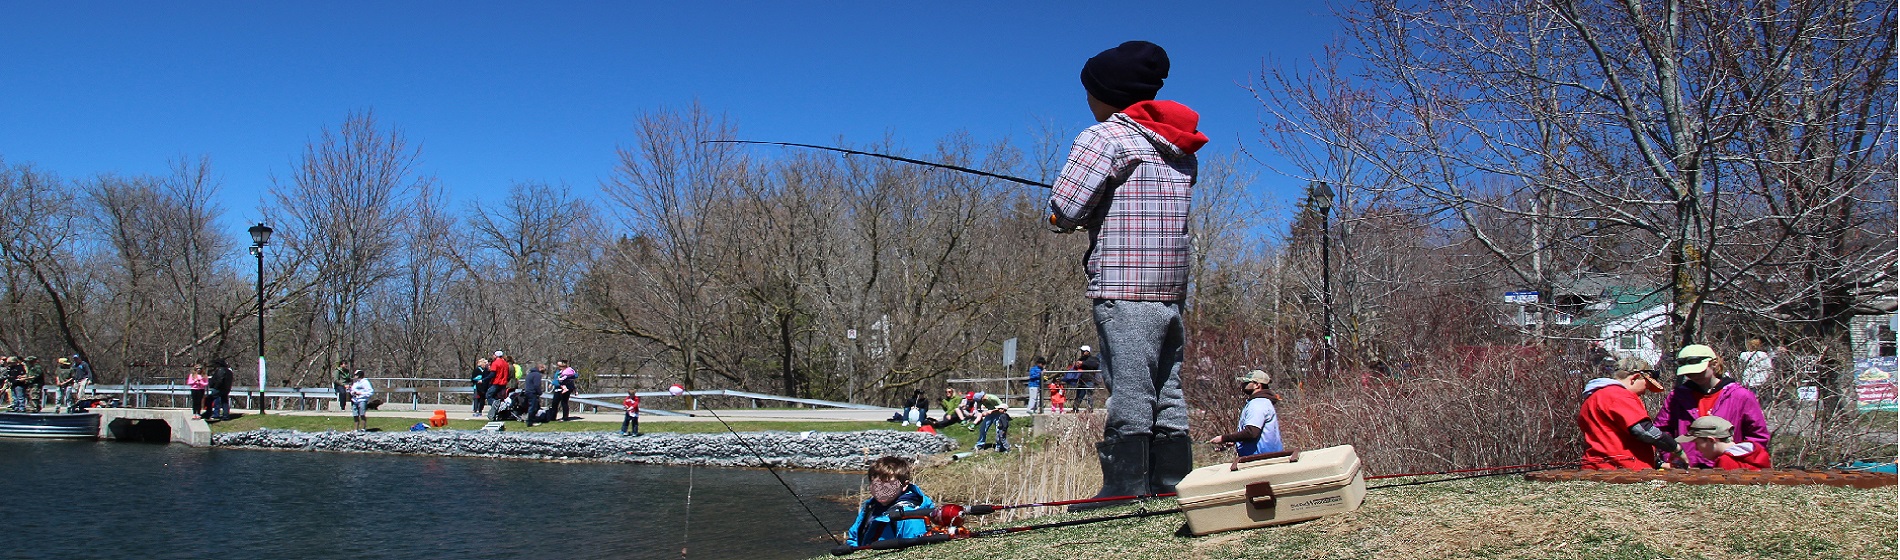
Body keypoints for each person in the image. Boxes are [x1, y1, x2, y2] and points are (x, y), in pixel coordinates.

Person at [1047, 40, 1206, 509]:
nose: (1087, 100)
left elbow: (1066, 208)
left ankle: (1124, 487)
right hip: (1170, 287)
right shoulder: (1181, 148)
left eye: (1089, 90)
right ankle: (1172, 480)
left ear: (1106, 93)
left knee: (1130, 384)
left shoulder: (1104, 137)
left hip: (1122, 281)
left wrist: (1060, 218)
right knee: (1166, 385)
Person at [1657, 344, 1770, 468]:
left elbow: (1757, 435)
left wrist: (1738, 461)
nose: (1694, 376)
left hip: (1727, 468)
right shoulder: (1677, 397)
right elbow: (1661, 430)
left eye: (1699, 371)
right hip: (1686, 467)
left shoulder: (1740, 396)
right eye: (1689, 373)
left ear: (1714, 364)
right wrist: (1671, 455)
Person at [1576, 359, 1679, 470]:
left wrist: (1658, 464)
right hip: (1621, 470)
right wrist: (1676, 448)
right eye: (1647, 385)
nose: (1645, 392)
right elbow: (1643, 430)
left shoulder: (1592, 398)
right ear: (1635, 378)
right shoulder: (1619, 395)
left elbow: (1612, 439)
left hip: (1595, 467)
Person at [844, 456, 936, 548]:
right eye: (875, 484)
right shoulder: (870, 507)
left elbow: (914, 548)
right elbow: (854, 538)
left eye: (887, 484)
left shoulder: (910, 515)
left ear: (904, 485)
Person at [1206, 370, 1283, 457]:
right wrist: (1236, 440)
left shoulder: (1258, 403)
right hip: (1263, 458)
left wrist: (1223, 438)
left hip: (1262, 460)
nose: (1242, 385)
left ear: (1257, 385)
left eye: (1246, 382)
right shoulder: (1261, 402)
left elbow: (1251, 432)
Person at [1675, 415, 1771, 470]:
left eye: (1697, 443)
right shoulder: (1756, 452)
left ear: (1711, 440)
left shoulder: (1726, 461)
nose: (1696, 448)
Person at [486, 353, 511, 420]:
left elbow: (493, 373)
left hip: (497, 382)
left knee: (489, 395)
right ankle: (498, 412)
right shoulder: (505, 363)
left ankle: (499, 406)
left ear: (496, 356)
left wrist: (484, 379)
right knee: (498, 397)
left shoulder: (495, 363)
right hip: (503, 383)